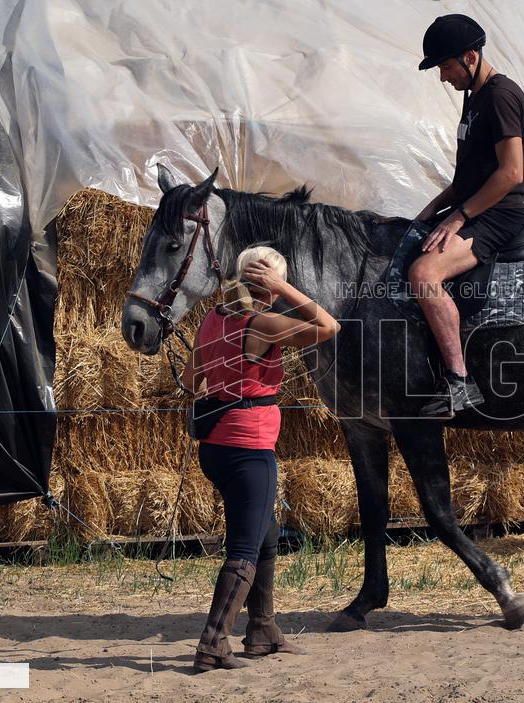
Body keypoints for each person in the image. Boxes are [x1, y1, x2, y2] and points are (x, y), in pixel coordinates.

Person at [181, 245, 341, 673]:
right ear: (267, 285)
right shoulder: (264, 323)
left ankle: (262, 629)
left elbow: (188, 379)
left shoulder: (212, 319)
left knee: (266, 535)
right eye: (272, 282)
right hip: (249, 449)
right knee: (245, 550)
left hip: (214, 447)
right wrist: (286, 288)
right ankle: (213, 642)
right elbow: (329, 325)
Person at [411, 14, 524, 418]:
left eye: (445, 67)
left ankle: (459, 382)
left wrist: (459, 216)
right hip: (476, 205)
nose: (443, 78)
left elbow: (511, 172)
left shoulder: (500, 97)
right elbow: (471, 175)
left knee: (424, 275)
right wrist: (435, 206)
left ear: (469, 57)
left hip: (499, 216)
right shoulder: (475, 99)